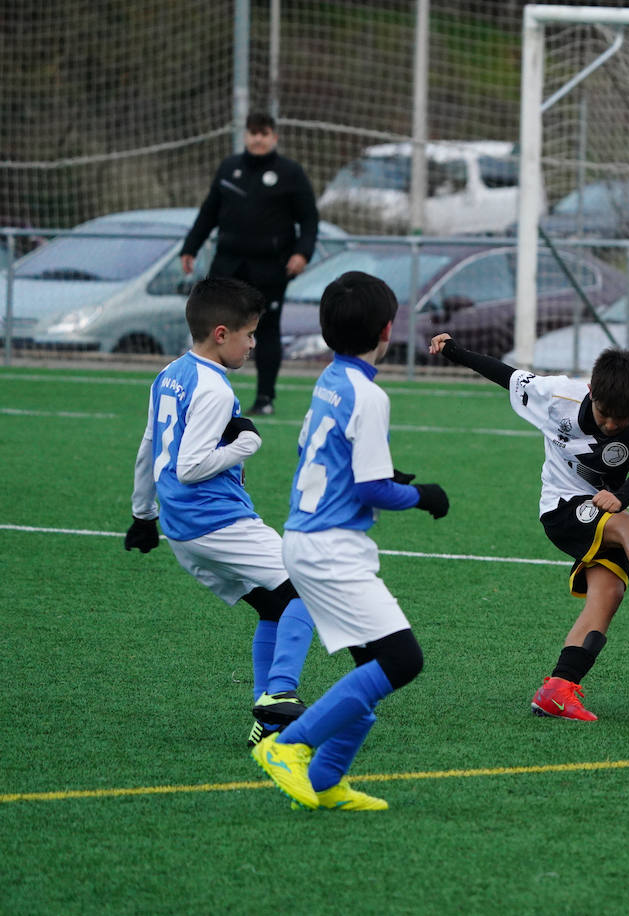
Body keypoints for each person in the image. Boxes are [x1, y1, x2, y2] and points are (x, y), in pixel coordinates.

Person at [428, 333, 629, 722]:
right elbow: (505, 375)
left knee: (607, 595)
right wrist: (455, 350)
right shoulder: (558, 394)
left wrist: (620, 496)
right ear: (591, 390)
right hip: (561, 509)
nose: (609, 425)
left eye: (619, 419)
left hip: (602, 514)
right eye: (603, 412)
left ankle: (558, 689)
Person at [252, 271, 449, 812]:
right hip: (330, 547)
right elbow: (370, 488)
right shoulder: (369, 393)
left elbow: (332, 458)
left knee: (372, 667)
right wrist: (425, 496)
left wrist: (389, 476)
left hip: (303, 535)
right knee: (402, 659)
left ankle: (324, 782)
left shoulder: (331, 379)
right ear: (388, 330)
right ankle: (287, 747)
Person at [124, 276, 316, 747]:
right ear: (221, 334)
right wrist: (245, 445)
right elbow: (190, 467)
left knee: (274, 604)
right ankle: (280, 695)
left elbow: (150, 448)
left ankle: (268, 725)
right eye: (250, 334)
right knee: (311, 586)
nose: (254, 344)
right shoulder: (212, 388)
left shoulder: (170, 374)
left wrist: (143, 514)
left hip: (183, 528)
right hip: (215, 520)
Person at [181, 111, 319, 418]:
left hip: (270, 268)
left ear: (274, 137)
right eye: (253, 132)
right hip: (228, 264)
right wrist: (189, 247)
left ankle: (265, 397)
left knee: (266, 331)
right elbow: (209, 213)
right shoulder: (230, 168)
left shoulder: (290, 173)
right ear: (245, 135)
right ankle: (205, 391)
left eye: (264, 133)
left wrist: (302, 253)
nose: (258, 138)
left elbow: (309, 219)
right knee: (212, 329)